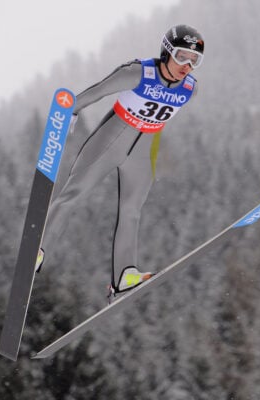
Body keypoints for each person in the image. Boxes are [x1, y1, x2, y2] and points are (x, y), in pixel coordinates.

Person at [35, 24, 205, 296]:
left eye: (195, 60)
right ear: (167, 52)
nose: (188, 65)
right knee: (74, 194)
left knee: (132, 210)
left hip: (144, 150)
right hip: (110, 140)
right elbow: (99, 90)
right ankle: (38, 249)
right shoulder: (138, 73)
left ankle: (124, 274)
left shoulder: (189, 89)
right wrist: (69, 112)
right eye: (182, 56)